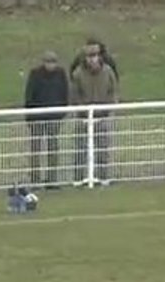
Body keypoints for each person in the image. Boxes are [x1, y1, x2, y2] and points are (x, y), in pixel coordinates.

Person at [71, 46, 119, 187]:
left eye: (95, 56)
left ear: (99, 57)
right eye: (89, 56)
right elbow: (74, 94)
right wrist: (82, 110)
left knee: (102, 148)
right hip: (83, 117)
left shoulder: (107, 72)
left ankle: (103, 177)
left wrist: (108, 108)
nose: (92, 59)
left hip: (102, 116)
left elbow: (113, 90)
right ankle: (79, 178)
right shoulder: (78, 74)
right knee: (80, 148)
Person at [24, 51, 69, 188]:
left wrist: (62, 112)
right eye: (48, 62)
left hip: (54, 116)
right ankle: (35, 179)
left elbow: (65, 93)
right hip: (37, 117)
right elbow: (30, 94)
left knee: (53, 147)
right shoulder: (35, 74)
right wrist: (30, 115)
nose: (50, 65)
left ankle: (52, 179)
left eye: (53, 62)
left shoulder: (61, 74)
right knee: (36, 148)